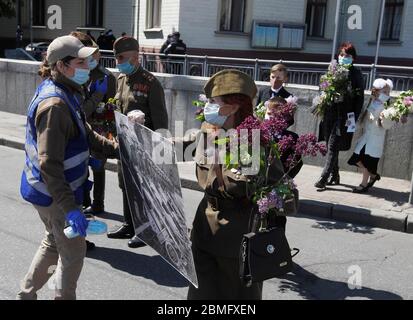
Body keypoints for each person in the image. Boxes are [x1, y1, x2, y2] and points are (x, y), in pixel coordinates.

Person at [17, 35, 119, 300]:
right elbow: (49, 164)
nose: (88, 66)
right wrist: (70, 208)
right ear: (61, 66)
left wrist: (119, 150)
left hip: (48, 193)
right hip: (55, 195)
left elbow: (86, 134)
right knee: (72, 255)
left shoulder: (66, 91)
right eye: (81, 61)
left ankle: (26, 295)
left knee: (53, 244)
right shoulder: (56, 105)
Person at [187, 69, 287, 300]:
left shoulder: (252, 139)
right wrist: (139, 137)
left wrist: (218, 154)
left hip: (237, 236)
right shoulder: (209, 130)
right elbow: (182, 146)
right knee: (200, 296)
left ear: (232, 107)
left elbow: (239, 186)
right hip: (204, 230)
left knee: (238, 297)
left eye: (213, 102)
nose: (208, 107)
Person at [106, 36, 169, 248]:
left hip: (144, 146)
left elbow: (161, 120)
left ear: (135, 57)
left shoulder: (151, 83)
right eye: (116, 58)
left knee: (142, 188)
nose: (118, 62)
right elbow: (118, 107)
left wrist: (159, 151)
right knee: (125, 185)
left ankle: (145, 230)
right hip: (124, 143)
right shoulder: (121, 79)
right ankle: (129, 224)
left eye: (122, 58)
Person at [70, 32, 117, 220]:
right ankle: (85, 201)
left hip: (99, 127)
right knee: (82, 166)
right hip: (82, 125)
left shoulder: (106, 76)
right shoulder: (78, 74)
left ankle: (98, 203)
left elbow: (113, 105)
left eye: (94, 55)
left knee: (98, 166)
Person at [314, 42, 365, 189]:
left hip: (344, 116)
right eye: (341, 55)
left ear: (353, 58)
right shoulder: (332, 69)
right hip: (329, 113)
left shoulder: (355, 74)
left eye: (347, 55)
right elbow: (322, 88)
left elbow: (359, 98)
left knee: (333, 145)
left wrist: (353, 117)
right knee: (330, 145)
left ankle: (324, 177)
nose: (343, 58)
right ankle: (335, 174)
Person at [347, 78, 394, 193]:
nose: (387, 94)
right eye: (384, 92)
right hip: (366, 137)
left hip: (375, 139)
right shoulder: (372, 100)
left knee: (367, 162)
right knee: (356, 158)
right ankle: (373, 175)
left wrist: (384, 118)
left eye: (388, 92)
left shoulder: (388, 106)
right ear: (377, 91)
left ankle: (364, 184)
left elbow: (388, 123)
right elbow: (365, 117)